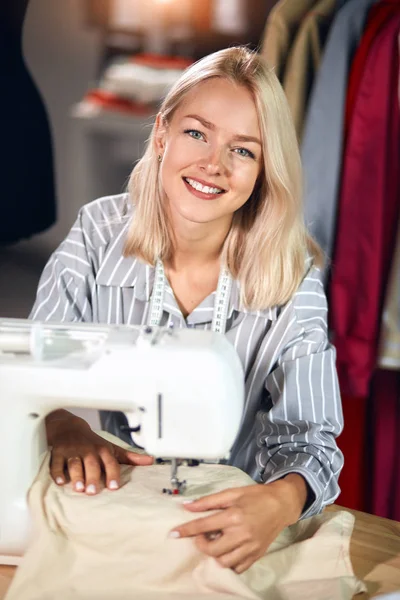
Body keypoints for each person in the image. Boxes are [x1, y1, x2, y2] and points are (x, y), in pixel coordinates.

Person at [30, 46, 343, 574]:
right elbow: (38, 369)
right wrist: (62, 424)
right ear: (160, 135)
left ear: (265, 171)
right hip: (120, 494)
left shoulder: (293, 279)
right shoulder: (97, 236)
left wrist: (282, 501)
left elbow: (310, 436)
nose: (213, 164)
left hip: (239, 513)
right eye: (197, 133)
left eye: (243, 151)